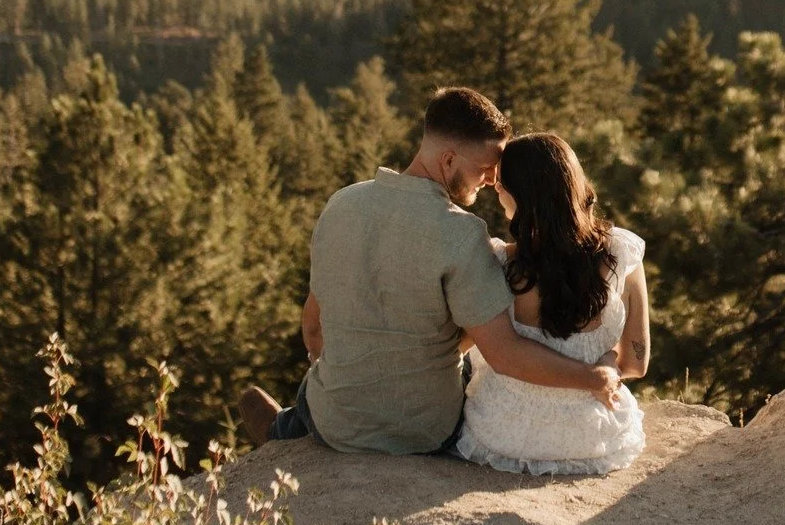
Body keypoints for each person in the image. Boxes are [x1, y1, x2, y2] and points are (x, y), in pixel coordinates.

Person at [237, 87, 622, 454]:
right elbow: (505, 354)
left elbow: (313, 327)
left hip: (335, 424)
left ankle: (282, 430)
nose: (492, 180)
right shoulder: (462, 233)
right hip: (426, 433)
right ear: (449, 160)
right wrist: (592, 377)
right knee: (471, 369)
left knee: (313, 395)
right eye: (486, 168)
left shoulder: (340, 206)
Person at [455, 133, 649, 477]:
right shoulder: (622, 254)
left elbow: (460, 346)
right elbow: (637, 362)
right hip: (595, 438)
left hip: (501, 434)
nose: (495, 189)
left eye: (501, 183)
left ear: (520, 196)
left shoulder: (494, 263)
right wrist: (606, 365)